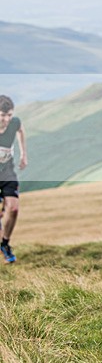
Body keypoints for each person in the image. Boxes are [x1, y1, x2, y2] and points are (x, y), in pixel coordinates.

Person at [0, 96, 26, 264]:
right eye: (3, 115)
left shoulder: (14, 123)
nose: (7, 119)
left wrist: (24, 154)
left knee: (14, 209)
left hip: (7, 171)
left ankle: (5, 244)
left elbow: (21, 130)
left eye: (9, 114)